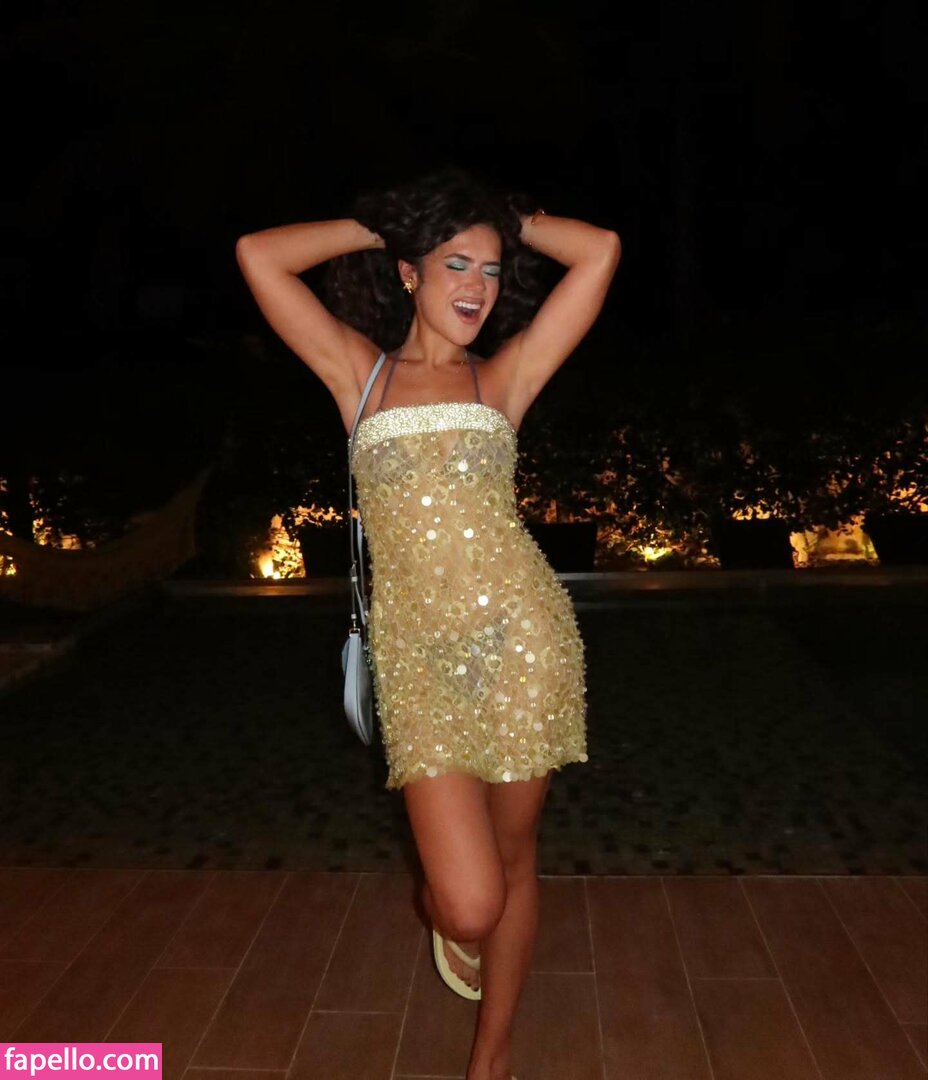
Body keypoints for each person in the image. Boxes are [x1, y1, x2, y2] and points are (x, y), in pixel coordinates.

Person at [236, 168, 620, 1080]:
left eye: (491, 269)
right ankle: (455, 923)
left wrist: (504, 219)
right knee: (470, 903)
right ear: (410, 273)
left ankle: (491, 1060)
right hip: (418, 665)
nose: (477, 287)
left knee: (516, 858)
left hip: (526, 645)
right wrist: (392, 225)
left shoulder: (504, 377)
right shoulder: (359, 376)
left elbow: (600, 251)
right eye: (455, 264)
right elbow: (259, 256)